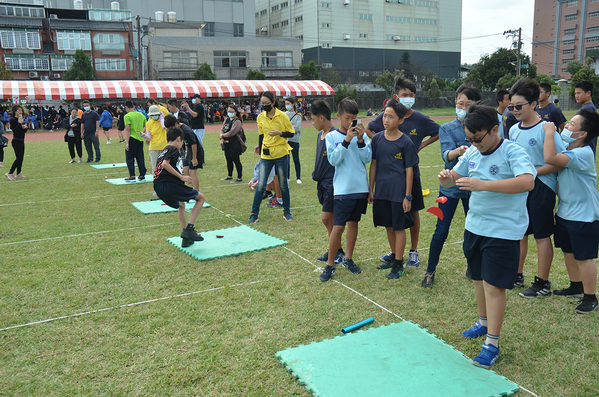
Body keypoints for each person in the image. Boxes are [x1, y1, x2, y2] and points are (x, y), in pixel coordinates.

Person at [441, 103, 535, 369]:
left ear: (495, 129)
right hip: (475, 227)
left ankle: (492, 343)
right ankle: (482, 323)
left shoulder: (512, 151)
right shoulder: (472, 151)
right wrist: (447, 177)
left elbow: (528, 181)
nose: (473, 144)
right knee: (479, 279)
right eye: (469, 139)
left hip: (503, 231)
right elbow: (454, 178)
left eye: (477, 138)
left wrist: (483, 185)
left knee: (494, 286)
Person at [366, 75, 439, 269]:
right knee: (391, 218)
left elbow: (440, 131)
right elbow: (369, 128)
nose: (408, 98)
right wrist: (382, 144)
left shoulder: (420, 119)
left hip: (409, 174)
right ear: (396, 97)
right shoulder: (388, 117)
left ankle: (413, 251)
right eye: (404, 94)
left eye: (411, 95)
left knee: (412, 211)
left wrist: (421, 145)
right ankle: (395, 252)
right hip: (387, 177)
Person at [508, 78, 564, 297]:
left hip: (541, 188)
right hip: (520, 188)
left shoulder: (546, 129)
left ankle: (542, 283)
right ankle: (517, 275)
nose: (514, 110)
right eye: (512, 107)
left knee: (541, 236)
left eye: (519, 106)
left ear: (533, 104)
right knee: (520, 232)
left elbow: (558, 160)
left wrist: (532, 172)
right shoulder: (513, 130)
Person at [422, 84, 481, 288]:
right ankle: (430, 271)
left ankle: (473, 267)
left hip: (473, 187)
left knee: (473, 230)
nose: (463, 108)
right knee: (441, 230)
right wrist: (459, 151)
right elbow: (446, 155)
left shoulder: (481, 129)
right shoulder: (446, 128)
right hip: (449, 188)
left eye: (468, 104)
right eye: (460, 104)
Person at [544, 109, 599, 314]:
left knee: (583, 256)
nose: (566, 126)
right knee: (568, 250)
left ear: (582, 134)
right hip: (566, 211)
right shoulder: (569, 150)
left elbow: (550, 158)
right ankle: (576, 286)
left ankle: (591, 297)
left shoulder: (583, 153)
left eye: (572, 125)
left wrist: (550, 131)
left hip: (584, 214)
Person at [319, 98, 372, 282]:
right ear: (338, 116)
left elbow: (367, 158)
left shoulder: (362, 136)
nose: (351, 122)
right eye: (347, 118)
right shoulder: (332, 136)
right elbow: (334, 160)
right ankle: (330, 264)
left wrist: (359, 140)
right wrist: (347, 141)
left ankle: (348, 258)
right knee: (338, 227)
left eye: (354, 118)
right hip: (342, 189)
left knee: (353, 224)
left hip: (360, 188)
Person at [369, 99, 418, 280]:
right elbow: (373, 164)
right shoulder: (377, 139)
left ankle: (399, 263)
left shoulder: (406, 142)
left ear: (401, 120)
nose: (386, 120)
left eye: (391, 117)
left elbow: (409, 170)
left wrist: (407, 196)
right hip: (382, 191)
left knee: (399, 228)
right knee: (388, 226)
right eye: (384, 115)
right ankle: (394, 256)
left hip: (399, 193)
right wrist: (371, 189)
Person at [153, 127, 206, 248]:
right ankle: (189, 229)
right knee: (201, 198)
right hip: (168, 185)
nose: (182, 144)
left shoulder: (164, 150)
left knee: (181, 205)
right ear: (178, 139)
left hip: (158, 186)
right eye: (182, 142)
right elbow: (165, 164)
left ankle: (186, 239)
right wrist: (182, 177)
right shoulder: (173, 148)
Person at [248, 91, 295, 224]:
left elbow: (291, 134)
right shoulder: (260, 117)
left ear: (273, 103)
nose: (264, 106)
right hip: (266, 155)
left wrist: (280, 133)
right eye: (262, 103)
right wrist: (259, 146)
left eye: (266, 103)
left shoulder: (282, 116)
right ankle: (254, 214)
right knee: (261, 185)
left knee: (283, 184)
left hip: (281, 153)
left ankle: (287, 212)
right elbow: (261, 135)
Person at [311, 99, 345, 265]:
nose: (312, 123)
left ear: (322, 118)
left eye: (313, 119)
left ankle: (338, 251)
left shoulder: (335, 136)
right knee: (329, 219)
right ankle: (336, 250)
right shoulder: (320, 135)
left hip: (332, 183)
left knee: (326, 218)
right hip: (321, 183)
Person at [164, 115, 200, 192]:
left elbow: (194, 143)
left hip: (196, 151)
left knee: (192, 172)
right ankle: (193, 189)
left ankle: (197, 193)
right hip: (189, 151)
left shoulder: (185, 130)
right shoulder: (179, 130)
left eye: (172, 127)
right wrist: (186, 152)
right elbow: (186, 142)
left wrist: (194, 158)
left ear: (176, 123)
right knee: (185, 169)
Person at [123, 100, 148, 181]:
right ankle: (142, 175)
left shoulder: (127, 116)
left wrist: (127, 142)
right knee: (140, 157)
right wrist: (142, 132)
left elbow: (127, 129)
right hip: (140, 138)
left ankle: (132, 175)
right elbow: (146, 125)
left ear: (126, 107)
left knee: (130, 157)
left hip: (132, 138)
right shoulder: (141, 115)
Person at [218, 104, 244, 183]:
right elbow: (222, 129)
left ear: (235, 112)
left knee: (236, 160)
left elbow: (232, 132)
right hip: (226, 143)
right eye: (228, 111)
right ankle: (229, 175)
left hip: (234, 143)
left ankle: (239, 177)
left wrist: (222, 135)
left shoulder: (237, 121)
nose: (229, 113)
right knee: (228, 159)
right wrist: (222, 138)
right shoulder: (227, 119)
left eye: (231, 111)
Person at [5, 105, 28, 180]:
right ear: (15, 111)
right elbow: (15, 130)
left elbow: (23, 131)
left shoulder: (21, 119)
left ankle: (18, 172)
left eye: (21, 110)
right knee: (18, 158)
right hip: (16, 141)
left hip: (21, 140)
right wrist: (19, 124)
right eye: (19, 110)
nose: (20, 112)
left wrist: (25, 127)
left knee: (21, 158)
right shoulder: (13, 120)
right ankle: (10, 173)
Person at [574, 80, 597, 154]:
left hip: (584, 148)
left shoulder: (587, 109)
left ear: (588, 93)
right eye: (575, 93)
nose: (576, 96)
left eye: (579, 93)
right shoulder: (589, 107)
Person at [285, 97, 303, 184]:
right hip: (285, 140)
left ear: (293, 104)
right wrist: (290, 128)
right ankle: (287, 177)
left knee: (296, 159)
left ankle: (298, 177)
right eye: (286, 104)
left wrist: (287, 129)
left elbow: (296, 128)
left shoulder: (298, 116)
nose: (287, 106)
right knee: (286, 159)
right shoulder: (283, 115)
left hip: (294, 140)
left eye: (288, 104)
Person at [145, 105, 168, 173]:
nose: (154, 116)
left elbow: (164, 127)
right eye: (153, 115)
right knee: (154, 167)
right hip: (153, 148)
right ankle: (156, 182)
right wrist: (144, 136)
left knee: (164, 167)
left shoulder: (163, 121)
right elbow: (149, 137)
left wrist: (161, 118)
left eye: (156, 114)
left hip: (163, 147)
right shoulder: (148, 123)